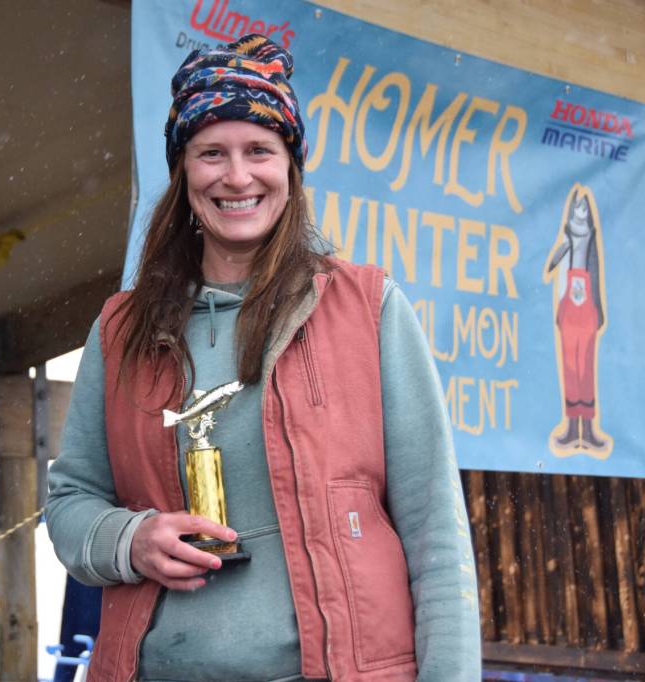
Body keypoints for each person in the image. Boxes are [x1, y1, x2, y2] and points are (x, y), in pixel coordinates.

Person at [46, 34, 481, 681]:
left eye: (259, 150)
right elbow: (71, 499)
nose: (238, 176)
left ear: (291, 166)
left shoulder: (370, 308)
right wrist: (128, 541)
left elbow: (434, 530)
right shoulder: (121, 328)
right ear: (182, 171)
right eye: (211, 153)